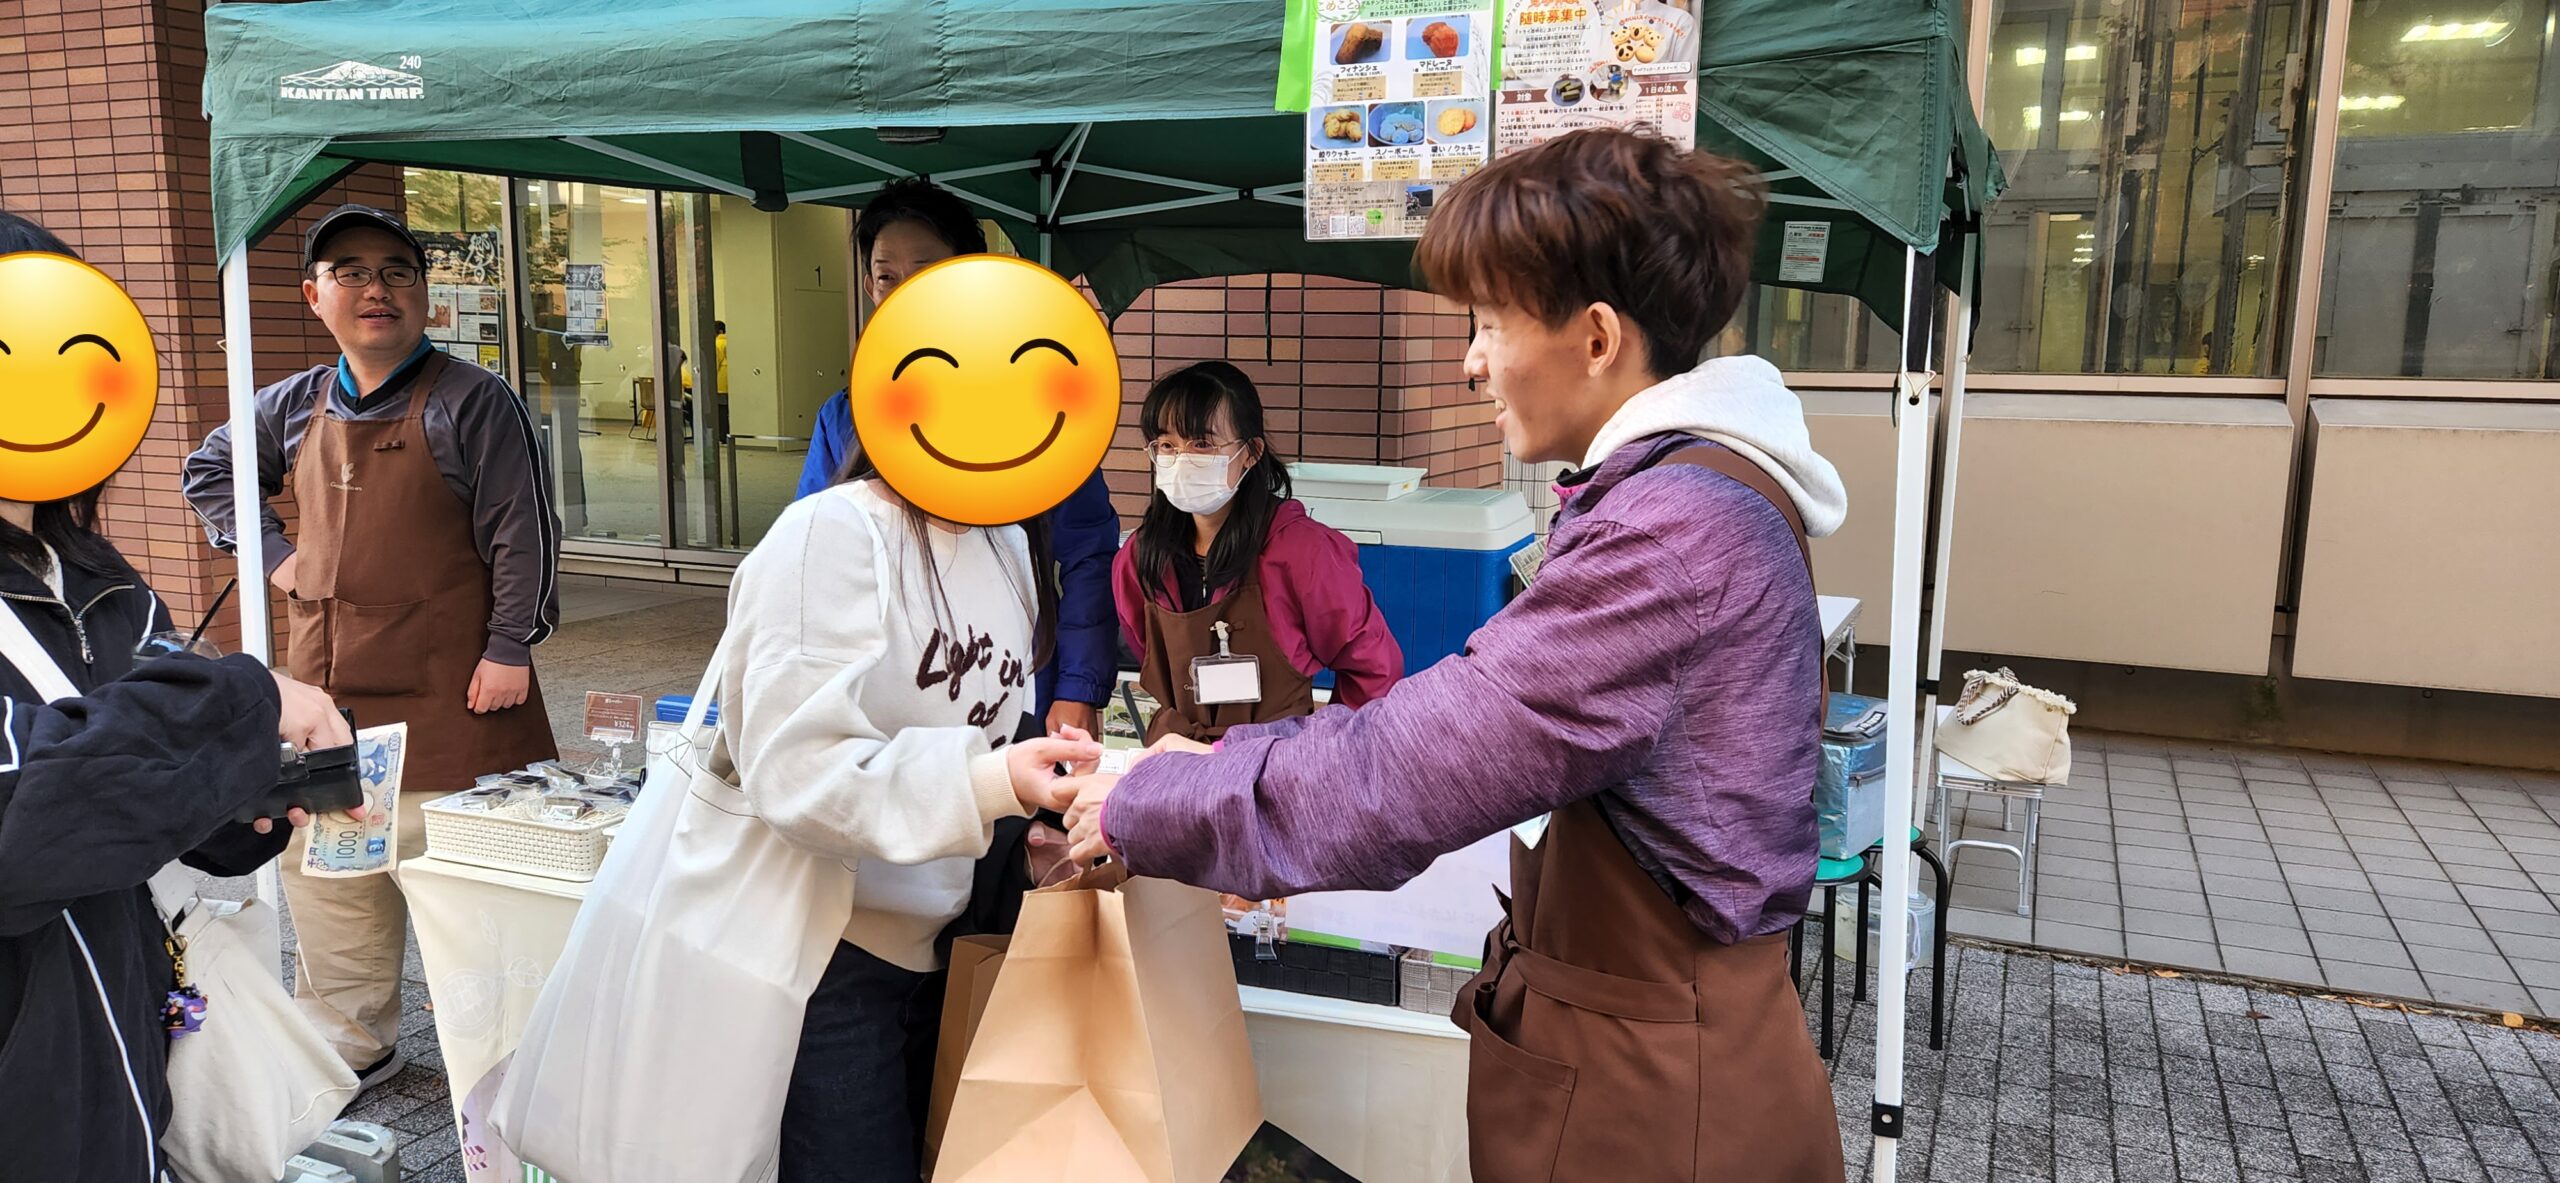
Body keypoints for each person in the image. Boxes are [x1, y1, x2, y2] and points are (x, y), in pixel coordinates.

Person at [1052, 129, 1853, 1182]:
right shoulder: (1686, 494)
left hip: (1659, 1090)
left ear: (1597, 337)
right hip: (1649, 1038)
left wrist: (1149, 798)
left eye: (1489, 322)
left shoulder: (1668, 535)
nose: (1471, 360)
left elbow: (1401, 771)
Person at [0, 210, 357, 1182]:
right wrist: (240, 700)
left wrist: (250, 794)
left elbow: (140, 792)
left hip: (125, 1087)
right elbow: (22, 826)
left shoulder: (92, 574)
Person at [182, 203, 564, 1090]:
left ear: (424, 293)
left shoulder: (474, 399)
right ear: (313, 295)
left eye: (396, 271)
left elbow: (524, 532)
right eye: (349, 272)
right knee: (333, 889)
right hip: (331, 705)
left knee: (477, 900)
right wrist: (274, 556)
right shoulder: (292, 404)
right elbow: (210, 471)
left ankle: (510, 1063)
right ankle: (353, 1046)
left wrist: (512, 644)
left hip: (461, 698)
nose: (375, 289)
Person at [732, 445, 1098, 1182]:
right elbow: (796, 772)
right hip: (827, 959)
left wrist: (1026, 835)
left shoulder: (1008, 541)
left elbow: (988, 740)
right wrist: (992, 781)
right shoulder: (830, 533)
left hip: (949, 950)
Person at [797, 178, 1120, 740]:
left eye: (926, 271)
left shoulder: (1042, 416)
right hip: (887, 695)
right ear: (869, 286)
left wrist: (1077, 687)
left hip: (1012, 684)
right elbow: (814, 559)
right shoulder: (846, 417)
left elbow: (1088, 556)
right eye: (886, 277)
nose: (904, 293)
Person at [1115, 360, 1402, 742]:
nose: (1182, 459)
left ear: (1250, 452)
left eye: (1202, 444)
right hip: (1178, 760)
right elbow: (1146, 653)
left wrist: (1328, 749)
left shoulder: (1304, 553)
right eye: (1167, 445)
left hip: (1276, 762)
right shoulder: (1139, 557)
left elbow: (1374, 667)